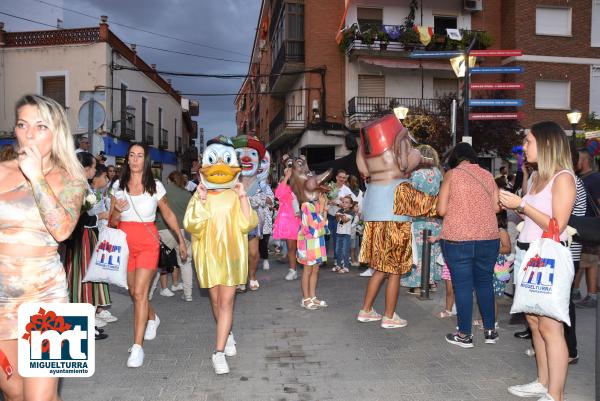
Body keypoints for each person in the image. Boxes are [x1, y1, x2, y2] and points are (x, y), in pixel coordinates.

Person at [0, 94, 87, 401]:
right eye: (23, 125)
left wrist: (36, 175)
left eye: (40, 127)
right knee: (15, 394)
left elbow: (62, 229)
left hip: (47, 300)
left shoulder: (71, 179)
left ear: (56, 132)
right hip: (1, 302)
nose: (29, 134)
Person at [499, 121, 576, 401]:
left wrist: (521, 205)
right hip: (525, 251)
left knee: (550, 325)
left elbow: (557, 226)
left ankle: (556, 394)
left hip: (546, 255)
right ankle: (543, 382)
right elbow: (530, 216)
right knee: (533, 321)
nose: (524, 147)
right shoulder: (535, 177)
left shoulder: (563, 178)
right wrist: (513, 205)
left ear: (545, 144)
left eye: (529, 142)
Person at [109, 142, 188, 368]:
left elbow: (169, 214)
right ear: (128, 159)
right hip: (125, 243)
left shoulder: (155, 186)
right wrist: (117, 210)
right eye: (131, 155)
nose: (135, 159)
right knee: (134, 292)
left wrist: (181, 239)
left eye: (139, 156)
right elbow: (112, 222)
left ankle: (137, 347)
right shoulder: (118, 185)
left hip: (147, 243)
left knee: (141, 293)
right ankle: (153, 318)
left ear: (145, 160)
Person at [184, 135, 258, 375]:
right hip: (208, 256)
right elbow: (192, 225)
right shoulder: (199, 194)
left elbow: (248, 224)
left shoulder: (236, 195)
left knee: (226, 302)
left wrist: (243, 194)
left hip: (232, 255)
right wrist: (202, 199)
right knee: (216, 303)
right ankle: (227, 334)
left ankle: (218, 353)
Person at [438, 142, 500, 348]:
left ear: (455, 157)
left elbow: (441, 209)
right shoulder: (488, 176)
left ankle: (465, 335)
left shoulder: (452, 175)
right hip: (488, 238)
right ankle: (490, 331)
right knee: (484, 282)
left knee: (463, 286)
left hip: (459, 238)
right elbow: (496, 207)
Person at [64, 154, 113, 341]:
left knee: (85, 278)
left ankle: (87, 324)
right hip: (82, 237)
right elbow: (78, 217)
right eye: (93, 167)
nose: (95, 171)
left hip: (85, 237)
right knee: (84, 279)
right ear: (85, 169)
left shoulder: (79, 185)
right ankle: (83, 327)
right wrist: (99, 217)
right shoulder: (78, 187)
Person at [401, 145, 443, 294]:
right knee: (432, 252)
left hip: (418, 220)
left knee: (417, 253)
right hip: (435, 219)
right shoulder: (438, 173)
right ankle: (431, 283)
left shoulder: (415, 174)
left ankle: (417, 285)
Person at [151, 171, 193, 302]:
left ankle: (148, 294)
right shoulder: (186, 194)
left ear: (169, 179)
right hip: (182, 231)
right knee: (185, 262)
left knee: (157, 263)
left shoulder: (163, 191)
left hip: (163, 230)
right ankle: (188, 295)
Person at [572, 149, 600, 308]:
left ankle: (592, 295)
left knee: (590, 261)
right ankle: (578, 291)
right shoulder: (581, 178)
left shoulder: (595, 178)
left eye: (578, 159)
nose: (576, 162)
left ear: (585, 161)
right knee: (583, 260)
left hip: (590, 226)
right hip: (582, 226)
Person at [273, 158, 301, 281]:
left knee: (304, 247)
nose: (290, 171)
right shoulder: (284, 185)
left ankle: (308, 269)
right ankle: (292, 270)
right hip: (290, 220)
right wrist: (286, 177)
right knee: (291, 247)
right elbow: (278, 194)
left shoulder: (301, 184)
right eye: (288, 169)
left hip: (304, 218)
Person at [326, 170, 354, 268]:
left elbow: (349, 205)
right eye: (340, 177)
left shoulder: (347, 190)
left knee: (337, 239)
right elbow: (324, 198)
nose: (342, 179)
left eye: (344, 177)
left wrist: (337, 203)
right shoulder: (330, 186)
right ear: (336, 177)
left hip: (340, 218)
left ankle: (337, 259)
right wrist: (328, 201)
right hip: (328, 216)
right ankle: (322, 258)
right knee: (326, 237)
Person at [333, 195, 355, 273]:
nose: (344, 204)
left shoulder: (351, 212)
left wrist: (340, 215)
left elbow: (345, 220)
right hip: (339, 233)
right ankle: (338, 265)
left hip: (346, 234)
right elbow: (337, 218)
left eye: (347, 202)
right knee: (338, 250)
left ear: (351, 205)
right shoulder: (340, 210)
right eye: (343, 202)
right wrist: (339, 215)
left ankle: (346, 267)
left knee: (345, 251)